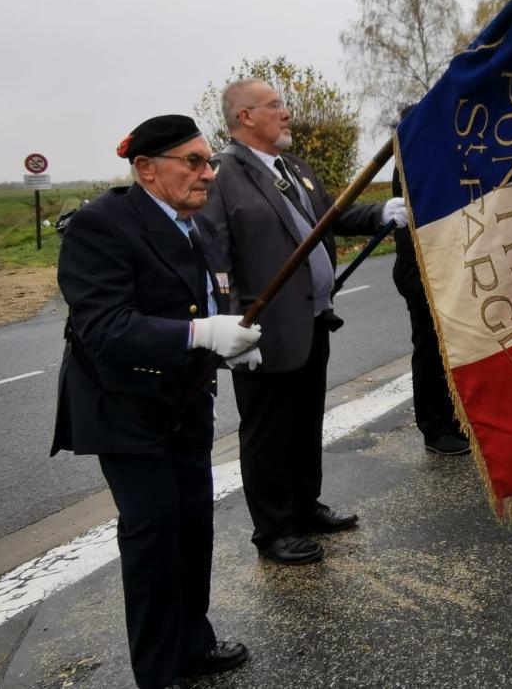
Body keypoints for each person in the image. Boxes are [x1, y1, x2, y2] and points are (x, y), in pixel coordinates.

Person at [51, 115, 260, 689]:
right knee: (152, 534)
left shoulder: (194, 225)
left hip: (184, 402)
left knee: (193, 526)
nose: (208, 174)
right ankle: (159, 670)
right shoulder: (102, 225)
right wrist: (201, 337)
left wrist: (228, 346)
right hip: (124, 406)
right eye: (193, 162)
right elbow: (105, 330)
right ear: (146, 168)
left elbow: (198, 300)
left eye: (209, 161)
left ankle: (194, 642)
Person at [203, 80, 408, 566]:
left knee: (303, 421)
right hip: (260, 328)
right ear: (246, 117)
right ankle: (272, 530)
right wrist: (228, 325)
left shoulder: (294, 168)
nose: (287, 113)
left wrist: (382, 210)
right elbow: (215, 254)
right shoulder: (224, 175)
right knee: (267, 431)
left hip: (312, 319)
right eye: (276, 106)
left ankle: (304, 505)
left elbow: (329, 217)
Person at [392, 106, 470, 456]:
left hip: (440, 265)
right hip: (422, 269)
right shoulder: (411, 160)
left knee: (447, 350)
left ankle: (453, 419)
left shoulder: (429, 156)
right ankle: (434, 428)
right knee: (430, 350)